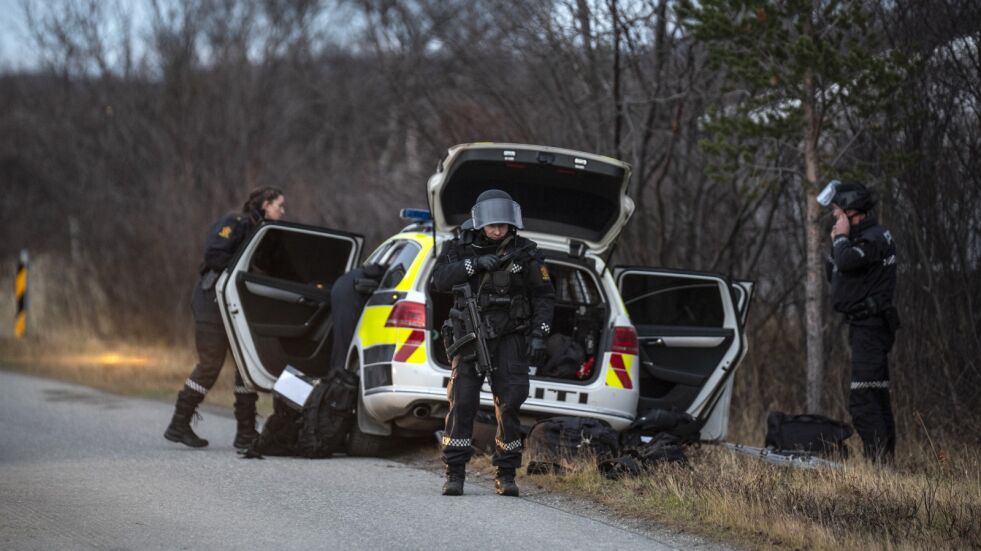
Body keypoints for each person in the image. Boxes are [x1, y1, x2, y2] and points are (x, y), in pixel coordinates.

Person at [431, 189, 555, 496]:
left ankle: (506, 473)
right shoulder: (460, 247)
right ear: (480, 224)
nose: (497, 230)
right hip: (469, 335)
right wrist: (474, 265)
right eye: (491, 225)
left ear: (511, 223)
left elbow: (544, 296)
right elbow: (440, 279)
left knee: (511, 402)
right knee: (462, 402)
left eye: (502, 225)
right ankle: (455, 472)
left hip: (510, 337)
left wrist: (539, 334)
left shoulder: (526, 253)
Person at [164, 187, 286, 449]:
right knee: (210, 365)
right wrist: (245, 268)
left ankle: (245, 433)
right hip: (212, 303)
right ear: (266, 204)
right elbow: (215, 255)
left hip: (236, 308)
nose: (282, 211)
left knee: (245, 367)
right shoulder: (235, 223)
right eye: (279, 206)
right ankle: (179, 423)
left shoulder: (264, 234)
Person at [820, 180, 899, 462]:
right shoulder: (862, 237)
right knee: (875, 397)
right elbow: (836, 271)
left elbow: (848, 262)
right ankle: (883, 464)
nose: (834, 217)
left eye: (838, 213)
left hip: (872, 328)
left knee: (864, 401)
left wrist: (840, 239)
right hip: (864, 328)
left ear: (854, 212)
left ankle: (878, 466)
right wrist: (838, 243)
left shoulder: (874, 238)